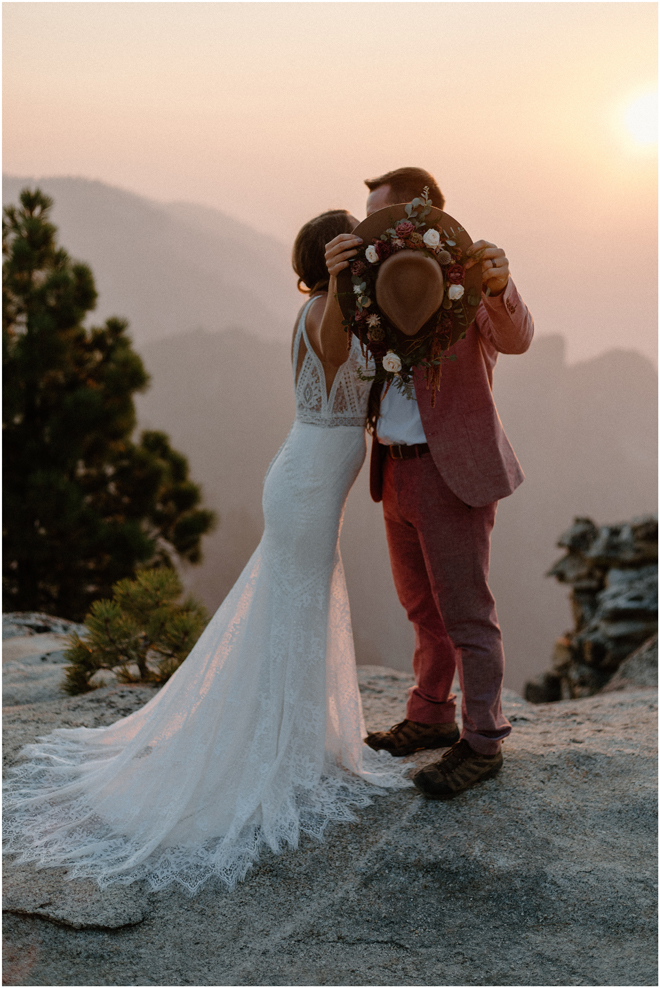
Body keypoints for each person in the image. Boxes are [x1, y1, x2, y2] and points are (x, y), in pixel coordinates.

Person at [3, 209, 410, 895]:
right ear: (326, 259)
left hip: (309, 474)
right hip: (308, 479)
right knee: (296, 606)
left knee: (298, 607)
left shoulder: (333, 306)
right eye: (348, 251)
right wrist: (345, 281)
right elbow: (340, 354)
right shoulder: (323, 312)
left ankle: (296, 738)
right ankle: (276, 751)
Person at [324, 166, 534, 800]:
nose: (366, 231)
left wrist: (502, 285)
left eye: (376, 219)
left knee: (467, 614)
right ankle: (430, 714)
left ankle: (482, 742)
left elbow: (517, 339)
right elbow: (335, 356)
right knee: (423, 611)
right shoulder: (373, 285)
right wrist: (337, 279)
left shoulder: (469, 281)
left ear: (417, 213)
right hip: (394, 472)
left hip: (453, 477)